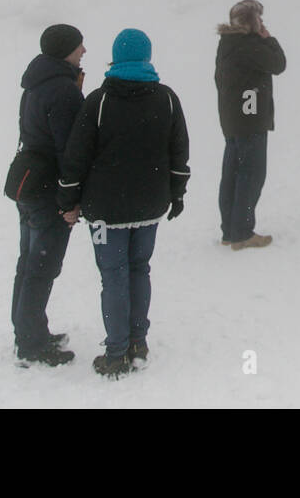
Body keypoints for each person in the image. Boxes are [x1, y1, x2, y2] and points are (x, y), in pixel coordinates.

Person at [59, 28, 190, 378]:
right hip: (150, 206)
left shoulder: (99, 101)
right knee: (140, 269)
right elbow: (179, 151)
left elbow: (76, 157)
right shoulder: (166, 98)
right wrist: (177, 192)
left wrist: (68, 197)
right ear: (147, 57)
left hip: (105, 211)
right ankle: (138, 342)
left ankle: (116, 352)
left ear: (115, 58)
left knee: (113, 276)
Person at [11, 23, 85, 367]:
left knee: (28, 264)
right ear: (66, 50)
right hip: (47, 191)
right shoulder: (62, 90)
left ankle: (28, 333)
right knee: (41, 268)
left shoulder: (36, 83)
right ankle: (31, 344)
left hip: (28, 183)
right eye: (79, 46)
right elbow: (69, 150)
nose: (84, 51)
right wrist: (69, 200)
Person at [215, 0, 286, 250]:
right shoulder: (250, 46)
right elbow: (279, 64)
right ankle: (242, 233)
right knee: (251, 174)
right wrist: (269, 39)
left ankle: (230, 231)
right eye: (260, 19)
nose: (263, 24)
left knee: (232, 175)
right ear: (251, 22)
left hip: (233, 120)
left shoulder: (228, 44)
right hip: (251, 120)